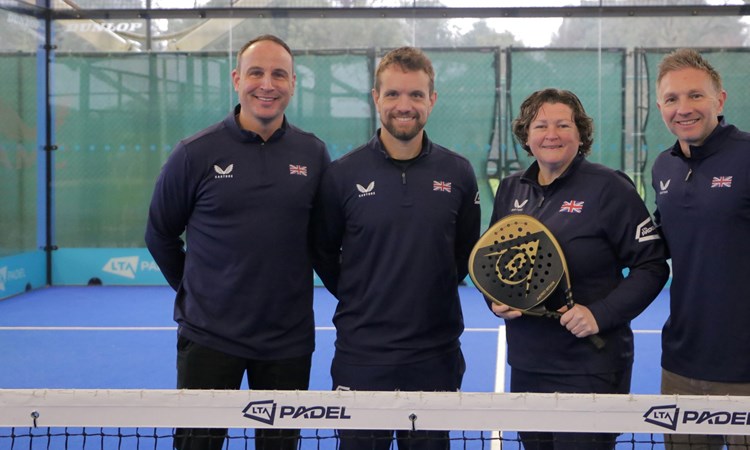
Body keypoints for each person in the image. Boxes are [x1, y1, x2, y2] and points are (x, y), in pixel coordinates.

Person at [144, 34, 330, 450]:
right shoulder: (193, 153)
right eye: (256, 73)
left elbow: (323, 240)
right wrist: (198, 290)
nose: (267, 84)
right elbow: (159, 233)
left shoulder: (314, 153)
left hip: (287, 343)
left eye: (279, 74)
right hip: (209, 340)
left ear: (293, 83)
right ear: (236, 79)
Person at [311, 46, 481, 450]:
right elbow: (322, 252)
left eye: (416, 95)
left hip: (435, 356)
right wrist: (364, 295)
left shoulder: (458, 172)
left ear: (432, 100)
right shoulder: (341, 174)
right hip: (361, 357)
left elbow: (464, 253)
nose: (404, 106)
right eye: (393, 94)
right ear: (375, 98)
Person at [488, 88, 669, 450]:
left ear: (581, 134)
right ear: (526, 135)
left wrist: (598, 315)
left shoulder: (610, 188)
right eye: (540, 125)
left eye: (563, 124)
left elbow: (651, 265)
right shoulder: (511, 190)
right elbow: (494, 263)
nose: (551, 134)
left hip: (591, 368)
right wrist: (495, 299)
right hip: (528, 365)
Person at [651, 48, 750, 450]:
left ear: (720, 100)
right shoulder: (663, 167)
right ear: (660, 106)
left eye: (695, 95)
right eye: (672, 99)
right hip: (681, 366)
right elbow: (655, 246)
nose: (683, 108)